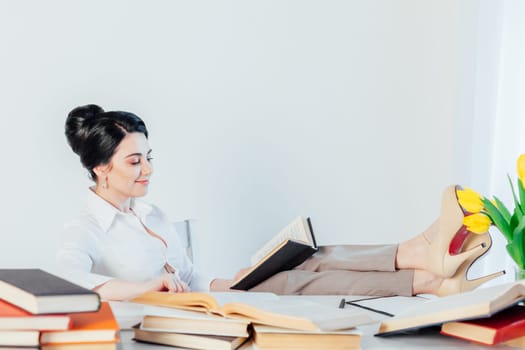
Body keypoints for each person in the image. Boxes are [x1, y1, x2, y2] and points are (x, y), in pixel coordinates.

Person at [57, 104, 505, 301]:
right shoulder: (87, 227)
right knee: (293, 283)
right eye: (135, 161)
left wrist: (229, 282)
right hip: (175, 322)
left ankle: (423, 266)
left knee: (307, 258)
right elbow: (66, 280)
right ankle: (426, 273)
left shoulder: (153, 215)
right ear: (101, 168)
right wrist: (144, 289)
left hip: (206, 300)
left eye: (149, 158)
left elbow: (192, 276)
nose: (148, 170)